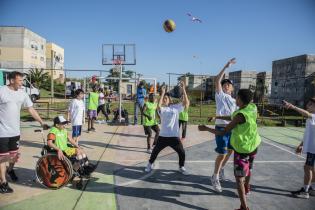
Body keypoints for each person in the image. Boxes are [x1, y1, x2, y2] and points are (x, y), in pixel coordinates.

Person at [199, 89, 261, 210]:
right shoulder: (252, 107)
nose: (235, 99)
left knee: (238, 180)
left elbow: (223, 132)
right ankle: (247, 188)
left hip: (242, 149)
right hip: (254, 145)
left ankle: (244, 207)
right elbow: (233, 117)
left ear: (241, 100)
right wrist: (217, 116)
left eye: (237, 97)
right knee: (249, 168)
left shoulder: (240, 115)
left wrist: (206, 128)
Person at [0, 71, 48, 193]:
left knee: (14, 156)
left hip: (15, 131)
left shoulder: (22, 94)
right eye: (20, 80)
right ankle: (3, 183)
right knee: (3, 158)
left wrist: (42, 122)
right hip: (2, 133)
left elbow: (31, 109)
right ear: (11, 80)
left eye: (22, 80)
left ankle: (10, 170)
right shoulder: (2, 91)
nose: (22, 83)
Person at [145, 82, 189, 175]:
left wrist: (184, 89)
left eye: (166, 98)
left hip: (174, 136)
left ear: (169, 100)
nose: (164, 100)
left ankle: (181, 166)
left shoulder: (176, 108)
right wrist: (163, 92)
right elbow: (158, 106)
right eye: (163, 99)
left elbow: (186, 103)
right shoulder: (162, 109)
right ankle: (150, 164)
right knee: (155, 151)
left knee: (182, 152)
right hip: (163, 136)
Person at [209, 58, 237, 192]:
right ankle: (215, 177)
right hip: (221, 128)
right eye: (224, 83)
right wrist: (226, 66)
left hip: (232, 129)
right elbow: (217, 80)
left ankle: (220, 170)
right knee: (222, 153)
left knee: (230, 151)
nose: (226, 85)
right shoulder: (220, 96)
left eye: (228, 84)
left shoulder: (236, 101)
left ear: (232, 87)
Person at [283, 98, 315, 199]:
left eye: (310, 104)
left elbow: (306, 113)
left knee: (307, 168)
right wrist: (301, 144)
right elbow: (309, 133)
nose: (307, 105)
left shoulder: (313, 116)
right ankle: (313, 188)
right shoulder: (311, 118)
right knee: (312, 168)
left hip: (313, 149)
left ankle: (305, 192)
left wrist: (292, 106)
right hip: (312, 147)